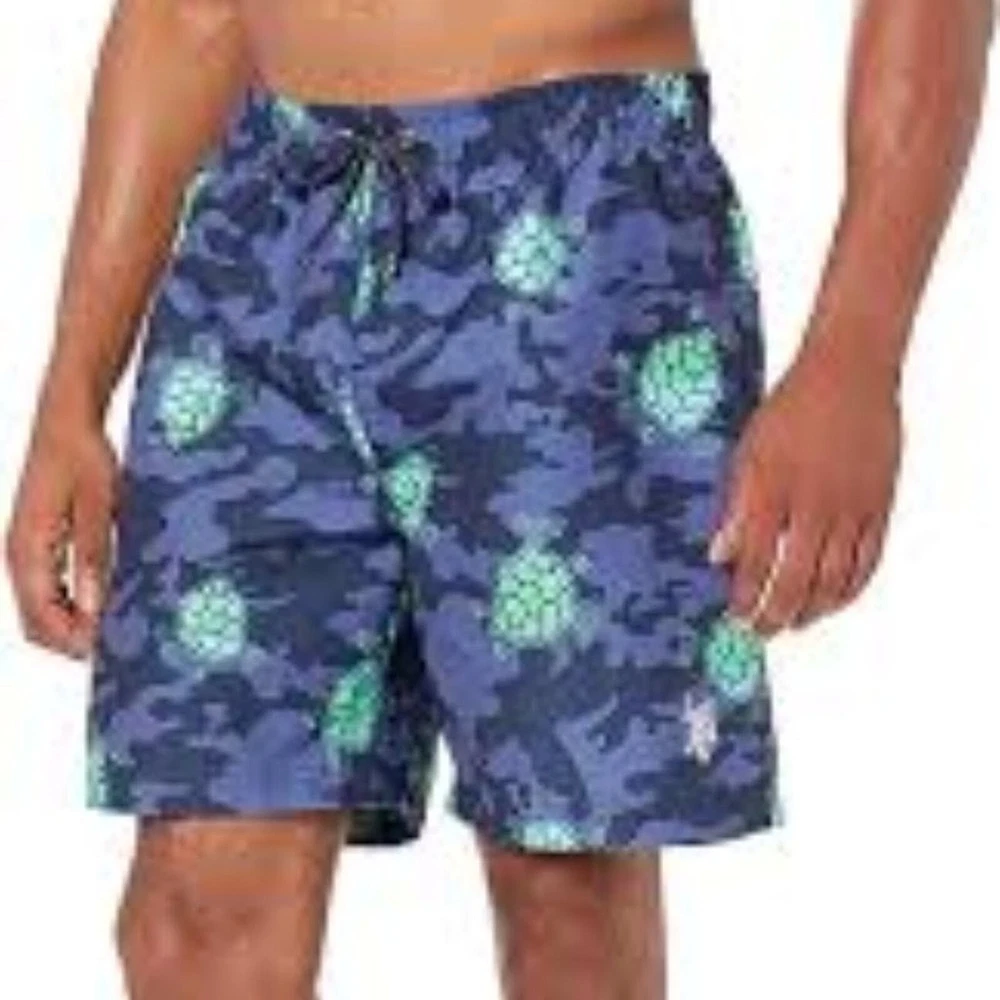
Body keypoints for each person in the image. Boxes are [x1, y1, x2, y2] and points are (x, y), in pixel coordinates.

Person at [6, 1, 994, 998]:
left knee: (563, 882)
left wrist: (857, 354)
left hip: (578, 223)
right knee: (192, 917)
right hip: (267, 224)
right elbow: (182, 16)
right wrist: (72, 392)